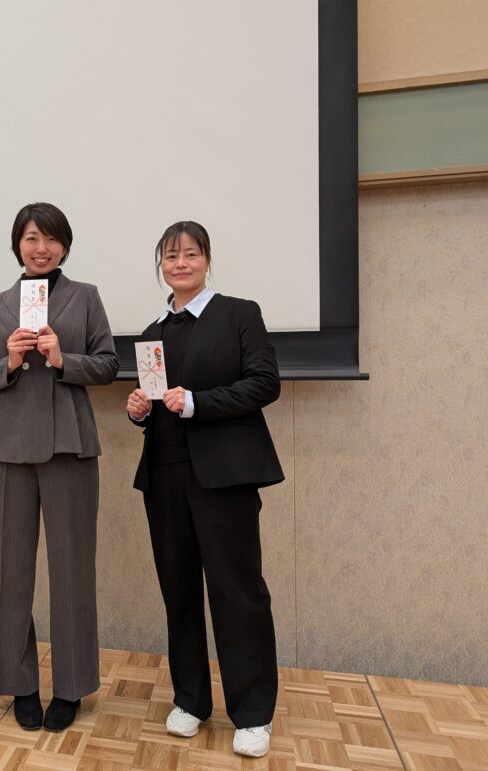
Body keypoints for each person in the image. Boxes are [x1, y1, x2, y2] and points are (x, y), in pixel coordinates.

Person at [126, 220, 283, 758]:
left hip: (224, 476)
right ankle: (190, 700)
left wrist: (197, 402)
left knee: (237, 592)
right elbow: (157, 403)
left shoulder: (239, 314)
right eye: (171, 256)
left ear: (207, 260)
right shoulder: (152, 331)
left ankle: (254, 713)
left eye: (190, 254)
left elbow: (264, 383)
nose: (181, 264)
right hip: (164, 474)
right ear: (162, 266)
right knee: (179, 591)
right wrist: (140, 411)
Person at [0, 202, 118, 732]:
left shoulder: (86, 297)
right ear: (18, 245)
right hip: (9, 448)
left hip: (70, 446)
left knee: (72, 569)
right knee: (11, 571)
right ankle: (20, 683)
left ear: (64, 246)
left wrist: (61, 359)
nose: (41, 248)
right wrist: (8, 362)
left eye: (51, 239)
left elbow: (109, 364)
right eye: (31, 238)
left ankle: (71, 686)